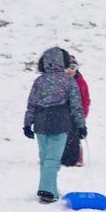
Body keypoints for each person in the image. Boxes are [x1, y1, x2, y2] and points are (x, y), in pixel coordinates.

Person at [23, 47, 87, 203]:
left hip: (40, 121)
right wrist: (80, 125)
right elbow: (76, 105)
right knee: (53, 158)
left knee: (45, 157)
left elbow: (31, 103)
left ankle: (52, 190)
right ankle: (46, 191)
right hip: (59, 121)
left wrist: (27, 124)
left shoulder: (39, 81)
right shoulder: (68, 81)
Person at [60, 57, 91, 167]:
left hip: (76, 114)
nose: (70, 71)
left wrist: (83, 115)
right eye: (67, 68)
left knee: (75, 136)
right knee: (62, 136)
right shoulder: (59, 82)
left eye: (73, 67)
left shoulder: (80, 82)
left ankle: (78, 156)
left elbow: (86, 100)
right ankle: (61, 155)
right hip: (62, 114)